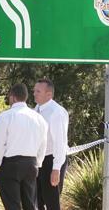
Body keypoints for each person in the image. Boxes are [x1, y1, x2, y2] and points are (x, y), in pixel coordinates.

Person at [0, 83, 48, 210]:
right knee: (30, 205)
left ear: (13, 97)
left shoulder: (6, 116)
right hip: (31, 164)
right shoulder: (39, 118)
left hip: (10, 165)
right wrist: (37, 163)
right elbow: (43, 144)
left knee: (12, 205)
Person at [33, 78, 69, 210]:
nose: (34, 93)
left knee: (52, 202)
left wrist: (56, 169)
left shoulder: (56, 113)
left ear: (49, 94)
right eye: (34, 90)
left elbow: (60, 143)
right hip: (39, 161)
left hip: (52, 160)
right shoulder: (36, 108)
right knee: (37, 200)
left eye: (38, 91)